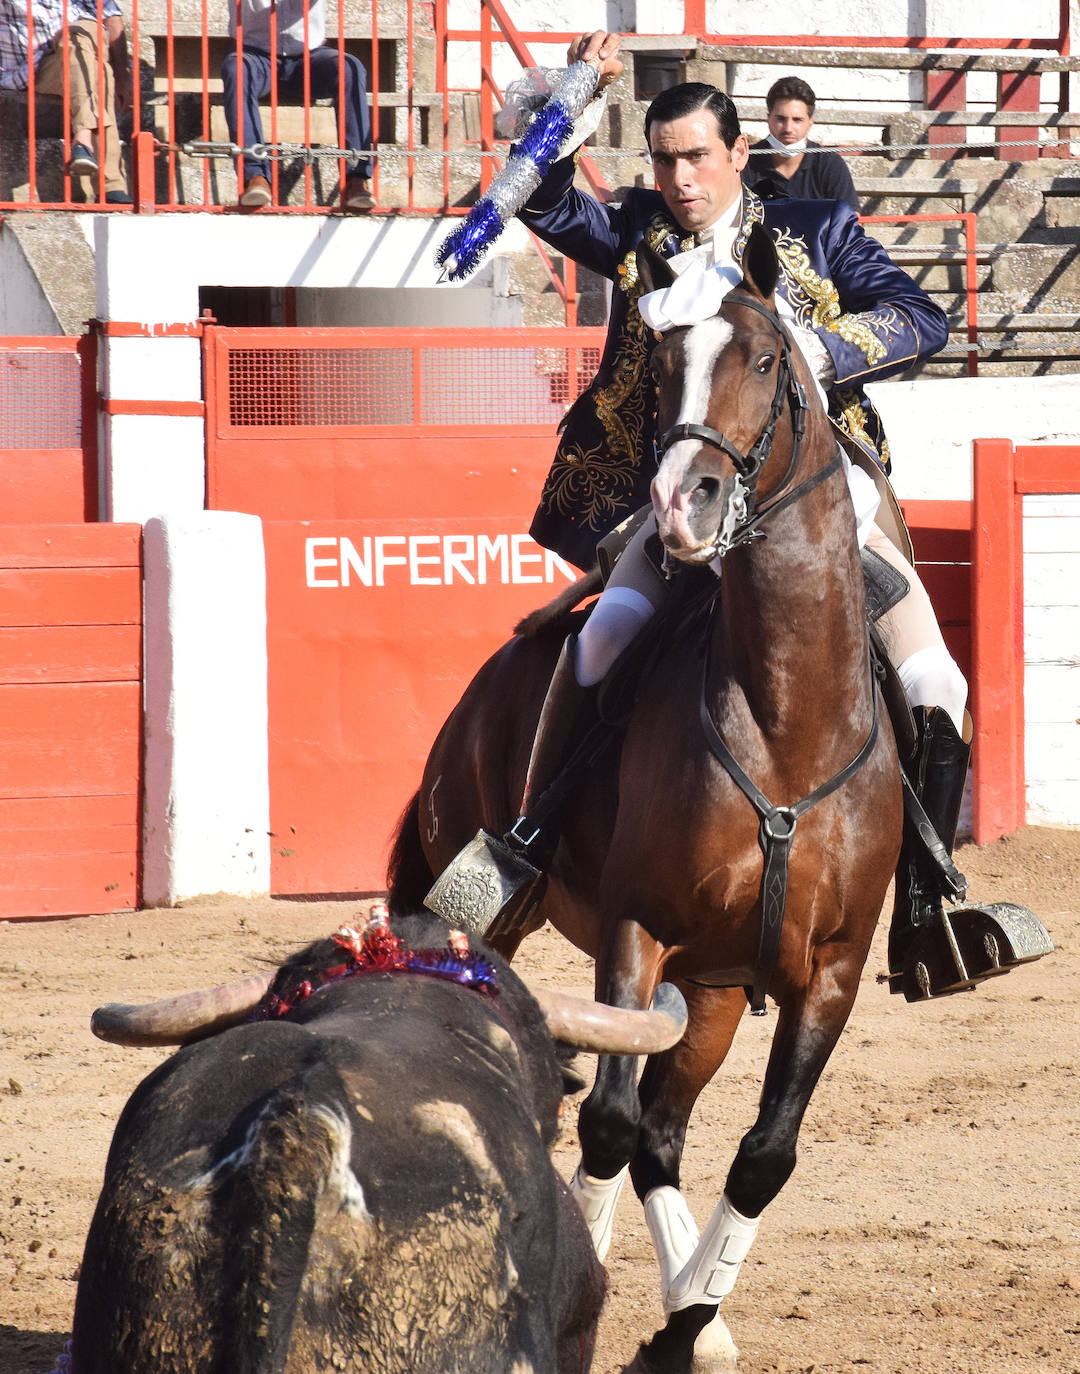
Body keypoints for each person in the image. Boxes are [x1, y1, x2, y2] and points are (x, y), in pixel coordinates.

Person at [439, 32, 1015, 1000]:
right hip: (676, 509)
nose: (678, 177)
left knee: (934, 684)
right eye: (663, 159)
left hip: (819, 512)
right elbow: (531, 195)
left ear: (739, 153)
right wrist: (572, 93)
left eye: (696, 156)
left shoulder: (819, 230)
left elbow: (921, 315)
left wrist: (815, 351)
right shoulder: (632, 230)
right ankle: (531, 844)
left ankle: (928, 903)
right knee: (597, 648)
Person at [222, 0, 373, 211]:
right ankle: (255, 176)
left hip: (308, 56)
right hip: (256, 55)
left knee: (350, 68)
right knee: (236, 67)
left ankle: (356, 177)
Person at [0, 0, 133, 203]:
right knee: (99, 73)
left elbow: (111, 16)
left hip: (82, 44)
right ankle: (110, 185)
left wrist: (124, 79)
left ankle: (83, 139)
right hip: (36, 68)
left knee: (79, 36)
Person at [743, 74, 859, 212]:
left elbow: (850, 221)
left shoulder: (829, 164)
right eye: (781, 119)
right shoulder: (745, 162)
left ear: (810, 122)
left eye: (797, 120)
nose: (788, 128)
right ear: (768, 119)